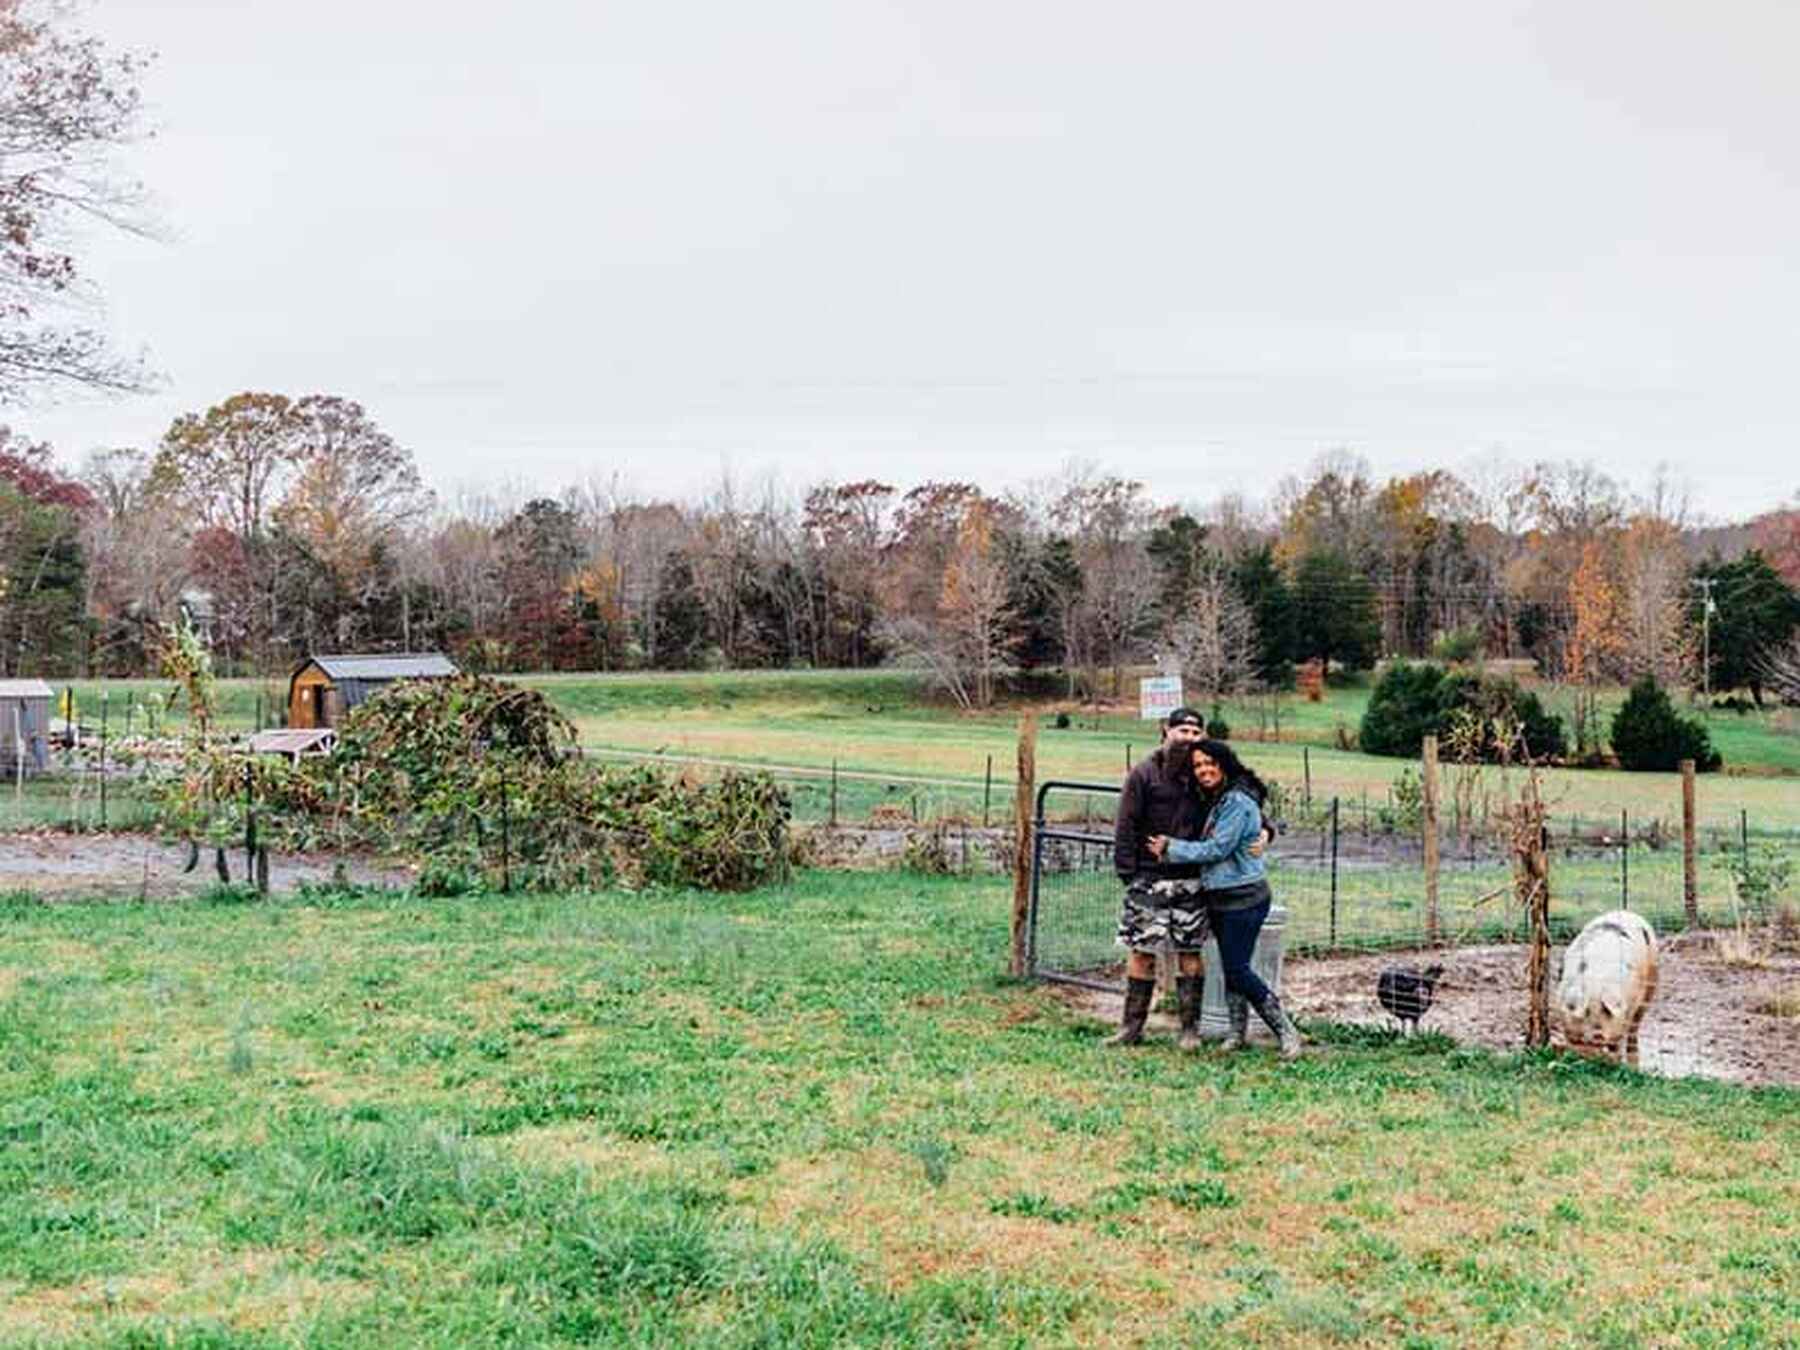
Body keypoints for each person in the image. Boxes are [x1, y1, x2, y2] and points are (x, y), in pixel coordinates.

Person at [1148, 739, 1302, 1059]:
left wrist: (1171, 848)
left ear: (1224, 763)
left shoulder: (1236, 801)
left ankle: (1286, 1030)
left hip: (1244, 896)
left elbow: (1219, 848)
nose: (1204, 770)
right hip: (1220, 897)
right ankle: (1236, 1033)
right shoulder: (1216, 798)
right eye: (1198, 766)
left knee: (1236, 970)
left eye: (1209, 763)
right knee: (1235, 965)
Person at [1107, 706, 1211, 1048]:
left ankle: (1189, 1030)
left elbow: (1243, 799)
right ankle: (1131, 1028)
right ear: (1166, 731)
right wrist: (1130, 876)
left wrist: (1265, 830)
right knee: (1141, 951)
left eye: (1196, 733)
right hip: (1148, 880)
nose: (1189, 739)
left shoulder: (1206, 775)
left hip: (1192, 880)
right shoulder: (1143, 774)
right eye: (1182, 731)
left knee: (1190, 953)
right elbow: (1126, 826)